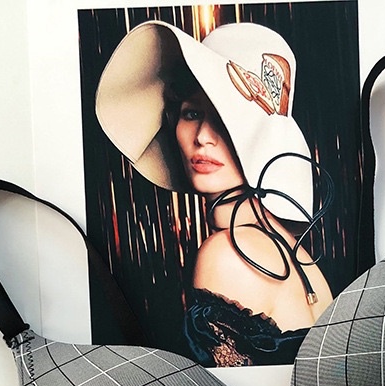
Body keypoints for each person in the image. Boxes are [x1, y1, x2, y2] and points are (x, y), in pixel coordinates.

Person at [95, 20, 333, 366]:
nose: (203, 136)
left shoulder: (228, 254)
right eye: (191, 113)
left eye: (225, 119)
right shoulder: (294, 253)